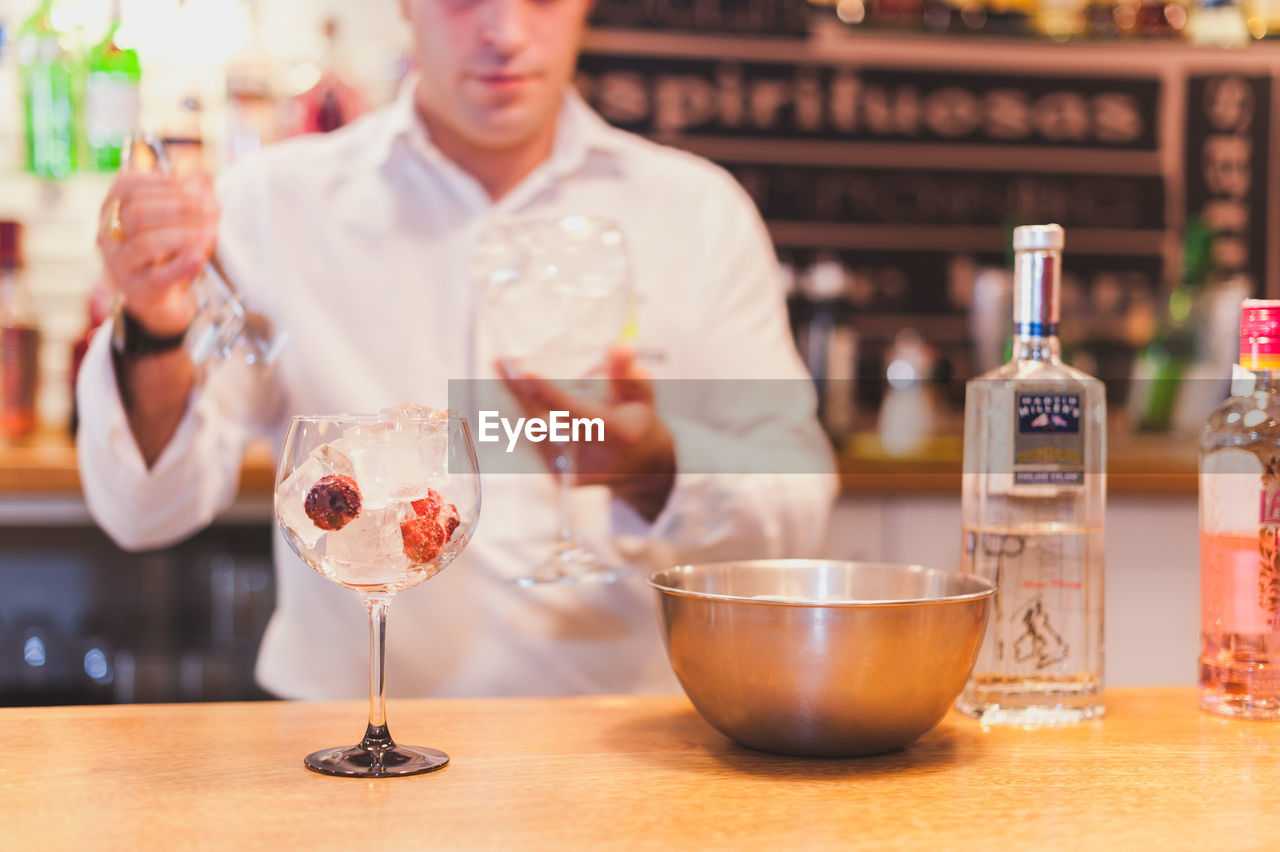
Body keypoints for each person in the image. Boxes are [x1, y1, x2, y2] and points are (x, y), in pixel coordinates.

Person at [77, 0, 837, 699]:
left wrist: (659, 470)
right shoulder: (276, 204)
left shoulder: (696, 213)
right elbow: (144, 509)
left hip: (625, 758)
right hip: (344, 746)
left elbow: (801, 504)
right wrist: (154, 324)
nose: (504, 32)